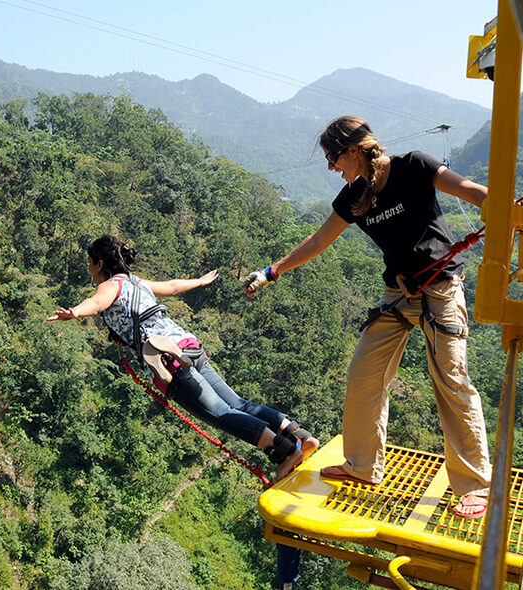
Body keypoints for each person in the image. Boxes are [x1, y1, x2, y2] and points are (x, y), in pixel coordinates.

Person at [243, 115, 492, 518]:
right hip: (397, 293)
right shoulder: (353, 197)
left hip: (441, 288)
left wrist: (504, 210)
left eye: (332, 157)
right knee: (363, 374)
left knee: (451, 379)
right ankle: (363, 466)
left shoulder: (414, 166)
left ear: (354, 150)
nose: (330, 168)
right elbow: (319, 240)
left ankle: (475, 484)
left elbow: (471, 191)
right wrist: (272, 272)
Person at [47, 234, 319, 480]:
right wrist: (199, 282)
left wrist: (75, 312)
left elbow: (96, 303)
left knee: (221, 413)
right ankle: (299, 436)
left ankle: (284, 452)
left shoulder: (109, 285)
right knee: (237, 402)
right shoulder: (136, 282)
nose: (89, 268)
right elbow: (173, 287)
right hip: (187, 345)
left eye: (90, 262)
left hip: (167, 358)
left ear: (100, 263)